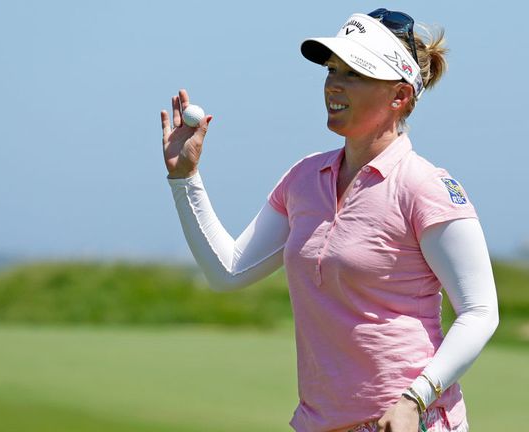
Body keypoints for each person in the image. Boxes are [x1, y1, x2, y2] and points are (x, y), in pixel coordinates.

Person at [160, 8, 499, 432]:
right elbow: (228, 271)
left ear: (400, 97)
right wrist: (184, 177)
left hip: (411, 421)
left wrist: (416, 398)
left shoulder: (426, 186)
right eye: (332, 70)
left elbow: (480, 311)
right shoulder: (304, 178)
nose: (334, 84)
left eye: (354, 72)